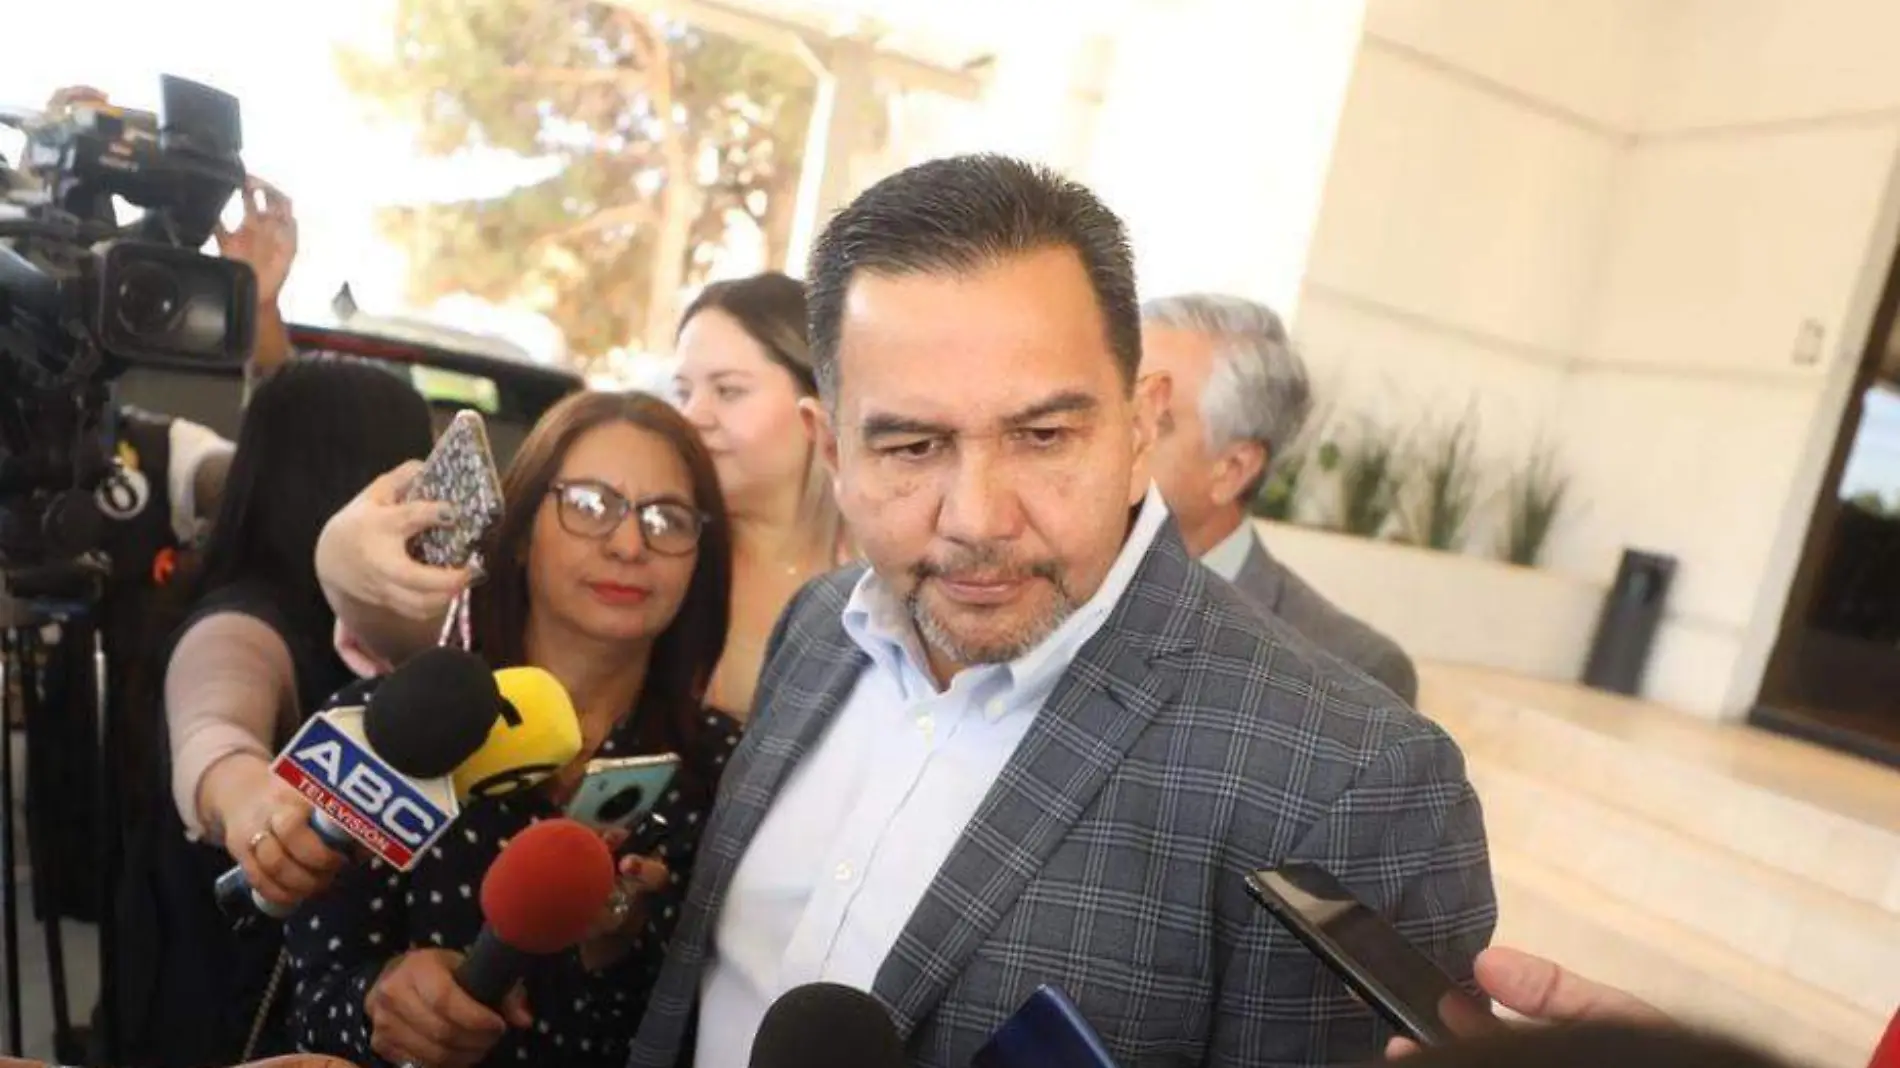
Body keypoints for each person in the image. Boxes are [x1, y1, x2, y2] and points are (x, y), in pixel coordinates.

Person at [626, 154, 1496, 1068]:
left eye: (1044, 437)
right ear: (832, 451)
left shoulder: (1350, 780)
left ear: (1139, 430)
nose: (977, 519)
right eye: (912, 446)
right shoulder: (816, 627)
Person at [291, 391, 734, 1068]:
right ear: (521, 532)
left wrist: (618, 947)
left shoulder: (729, 766)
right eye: (589, 505)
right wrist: (382, 1000)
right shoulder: (392, 723)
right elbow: (309, 995)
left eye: (667, 519)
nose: (628, 545)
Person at [106, 358, 436, 1068]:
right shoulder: (239, 626)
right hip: (223, 1006)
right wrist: (257, 809)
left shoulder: (373, 633)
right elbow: (214, 734)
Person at [1139, 293, 1417, 703]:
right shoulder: (1050, 583)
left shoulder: (1349, 671)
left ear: (1233, 469)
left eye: (1148, 421)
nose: (1106, 441)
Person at [672, 271, 845, 718]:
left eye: (728, 391)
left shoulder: (885, 578)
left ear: (817, 403)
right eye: (683, 392)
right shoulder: (664, 557)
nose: (692, 416)